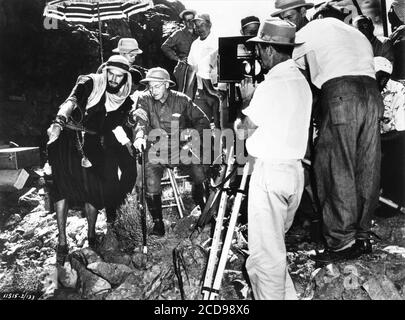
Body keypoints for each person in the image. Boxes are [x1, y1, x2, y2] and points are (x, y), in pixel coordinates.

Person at [292, 5, 384, 263]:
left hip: (342, 93)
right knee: (367, 165)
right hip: (371, 94)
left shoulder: (313, 27)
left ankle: (342, 242)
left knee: (335, 165)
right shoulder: (355, 32)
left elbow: (295, 71)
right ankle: (362, 236)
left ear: (318, 16)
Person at [234, 19, 312, 300]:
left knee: (265, 256)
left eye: (259, 50)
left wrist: (246, 101)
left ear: (268, 50)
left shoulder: (270, 86)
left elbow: (244, 131)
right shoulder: (302, 82)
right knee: (274, 247)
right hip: (295, 173)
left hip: (270, 173)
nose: (258, 56)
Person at [46, 55, 133, 263]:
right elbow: (71, 101)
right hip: (68, 138)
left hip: (93, 144)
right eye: (110, 73)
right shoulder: (89, 81)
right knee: (61, 187)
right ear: (105, 70)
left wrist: (128, 143)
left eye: (118, 76)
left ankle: (92, 234)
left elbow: (119, 125)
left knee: (93, 189)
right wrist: (59, 121)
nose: (113, 79)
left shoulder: (124, 99)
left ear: (125, 79)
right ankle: (62, 240)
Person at [131, 67, 211, 237]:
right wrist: (139, 136)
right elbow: (140, 119)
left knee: (198, 165)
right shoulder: (144, 99)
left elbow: (202, 120)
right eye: (150, 87)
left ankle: (206, 213)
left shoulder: (181, 100)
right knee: (150, 172)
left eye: (157, 86)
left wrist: (193, 138)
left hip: (181, 145)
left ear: (167, 85)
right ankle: (158, 223)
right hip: (157, 147)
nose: (153, 91)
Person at [96, 38, 144, 224]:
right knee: (110, 174)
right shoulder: (107, 74)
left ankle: (119, 203)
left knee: (130, 171)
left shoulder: (131, 75)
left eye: (134, 55)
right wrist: (124, 139)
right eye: (131, 55)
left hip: (125, 125)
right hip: (107, 131)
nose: (134, 58)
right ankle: (112, 214)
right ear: (121, 54)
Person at [375, 56, 405, 207]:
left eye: (381, 78)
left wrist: (374, 141)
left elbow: (400, 131)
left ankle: (392, 202)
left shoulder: (398, 91)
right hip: (375, 140)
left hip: (394, 140)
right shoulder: (369, 89)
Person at [187, 13, 221, 128]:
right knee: (200, 125)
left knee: (219, 125)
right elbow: (192, 69)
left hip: (217, 91)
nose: (199, 28)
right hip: (200, 92)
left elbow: (207, 67)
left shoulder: (217, 41)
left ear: (209, 25)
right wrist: (187, 93)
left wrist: (213, 90)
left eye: (202, 25)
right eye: (197, 26)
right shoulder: (195, 44)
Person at [161, 9, 198, 94]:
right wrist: (177, 58)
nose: (191, 22)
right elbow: (165, 46)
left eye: (192, 20)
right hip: (184, 68)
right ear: (184, 22)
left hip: (198, 68)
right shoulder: (179, 34)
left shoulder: (198, 34)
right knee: (185, 94)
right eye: (188, 21)